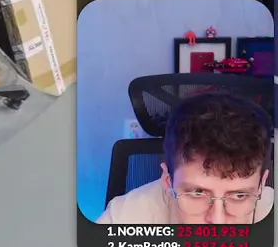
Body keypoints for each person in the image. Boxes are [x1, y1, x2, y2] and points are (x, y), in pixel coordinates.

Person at [99, 91, 275, 225]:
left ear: (261, 185)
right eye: (197, 193)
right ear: (168, 181)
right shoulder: (124, 218)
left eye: (239, 195)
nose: (218, 221)